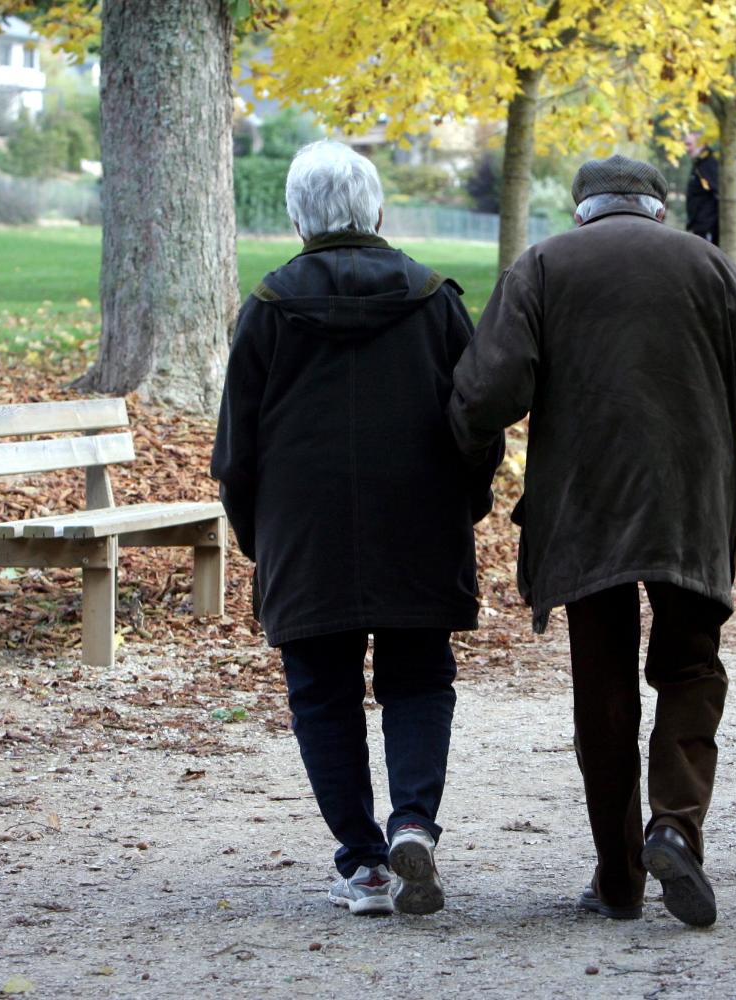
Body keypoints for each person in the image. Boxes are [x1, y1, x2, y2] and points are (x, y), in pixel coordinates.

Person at [448, 154, 736, 928]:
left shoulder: (542, 265)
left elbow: (485, 395)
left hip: (585, 512)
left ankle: (619, 880)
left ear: (582, 210)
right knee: (689, 668)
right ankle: (674, 824)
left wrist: (475, 467)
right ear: (657, 208)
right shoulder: (712, 267)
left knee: (602, 692)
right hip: (690, 506)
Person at [211, 141, 502, 918]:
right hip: (418, 518)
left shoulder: (269, 306)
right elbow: (476, 420)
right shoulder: (434, 297)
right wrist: (464, 503)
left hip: (305, 529)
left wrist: (256, 535)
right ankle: (413, 824)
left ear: (298, 216)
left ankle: (365, 864)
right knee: (419, 677)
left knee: (321, 692)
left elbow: (236, 445)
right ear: (376, 211)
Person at [685, 134, 720, 245]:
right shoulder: (699, 164)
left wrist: (707, 224)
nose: (687, 149)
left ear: (701, 145)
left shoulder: (708, 164)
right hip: (699, 224)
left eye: (689, 144)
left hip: (706, 226)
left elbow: (716, 193)